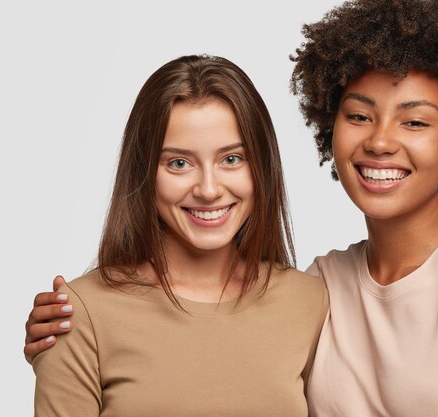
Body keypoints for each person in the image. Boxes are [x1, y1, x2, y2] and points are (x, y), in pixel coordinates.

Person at [25, 0, 438, 416]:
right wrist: (72, 344)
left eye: (415, 122)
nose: (381, 142)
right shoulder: (323, 285)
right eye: (359, 116)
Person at [30, 54, 328, 416]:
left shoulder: (310, 303)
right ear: (143, 172)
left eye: (231, 159)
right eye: (179, 163)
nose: (208, 189)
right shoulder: (81, 312)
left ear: (261, 166)